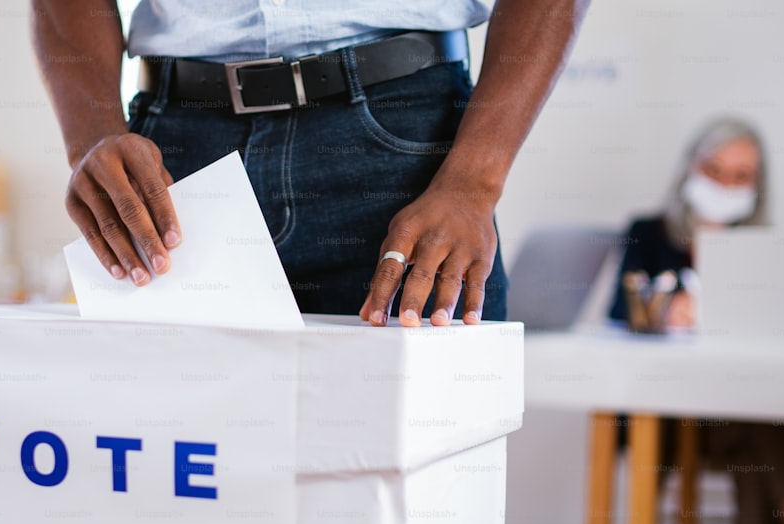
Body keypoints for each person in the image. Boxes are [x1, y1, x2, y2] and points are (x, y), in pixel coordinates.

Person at [31, 0, 589, 328]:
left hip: (409, 157)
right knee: (174, 486)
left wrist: (473, 182)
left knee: (418, 496)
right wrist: (91, 137)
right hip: (178, 161)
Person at [609, 117, 784, 524]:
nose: (725, 185)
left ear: (757, 185)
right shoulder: (647, 234)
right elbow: (617, 313)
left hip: (733, 417)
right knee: (766, 432)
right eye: (715, 170)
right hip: (667, 414)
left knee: (761, 429)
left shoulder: (768, 252)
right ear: (691, 167)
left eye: (740, 176)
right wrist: (664, 310)